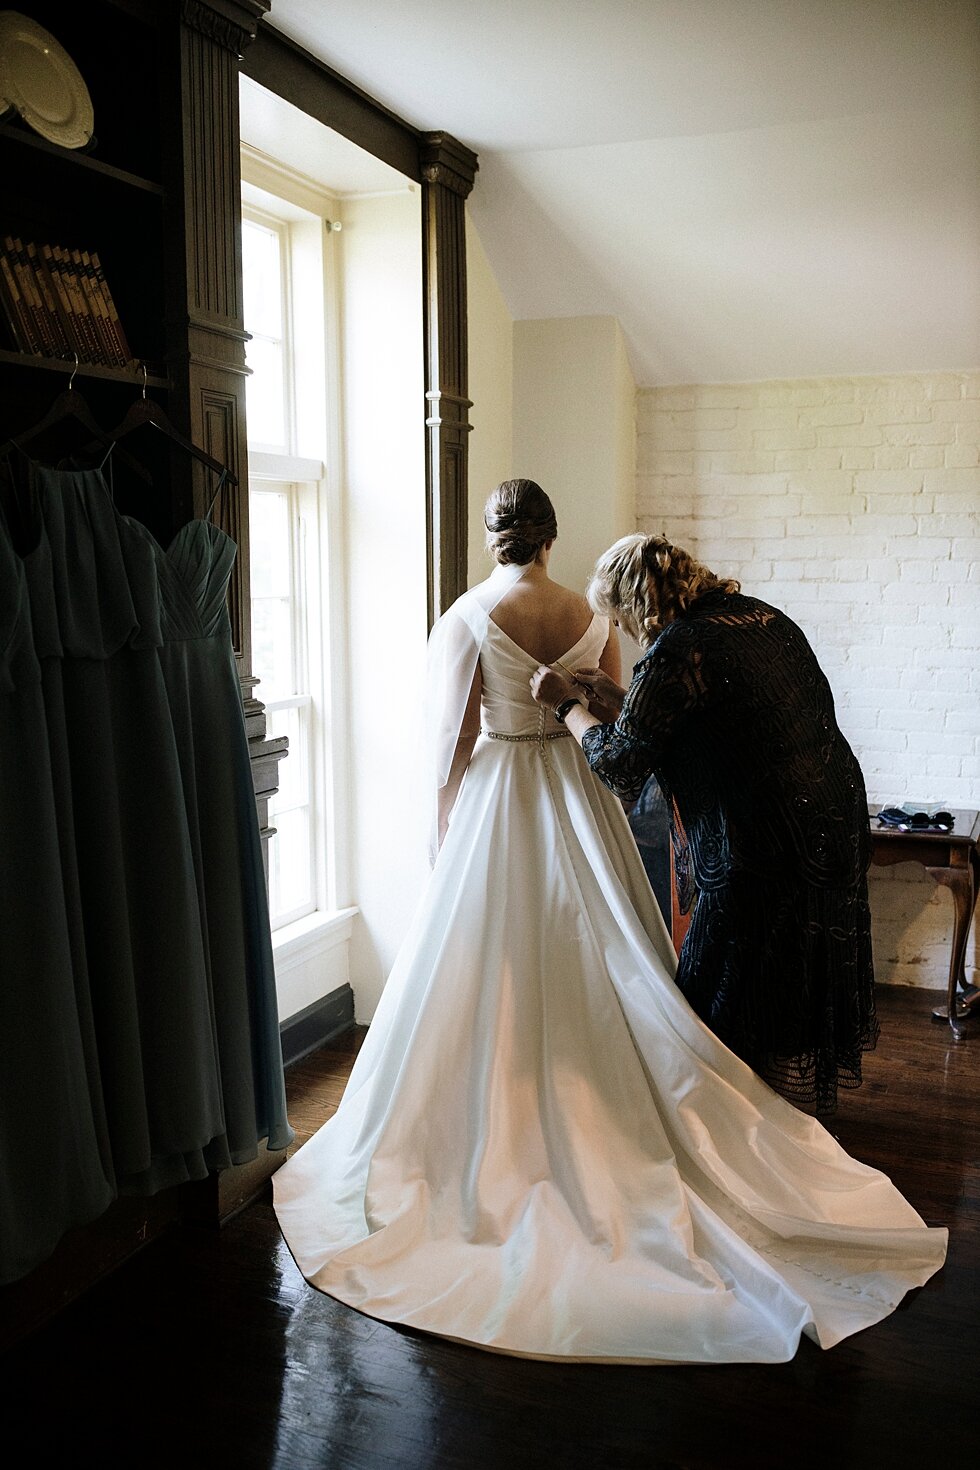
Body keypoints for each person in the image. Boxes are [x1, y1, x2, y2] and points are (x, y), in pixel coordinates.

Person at [273, 481, 945, 1365]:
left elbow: (449, 743)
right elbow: (623, 738)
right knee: (615, 959)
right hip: (587, 805)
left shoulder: (469, 615)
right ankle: (629, 1097)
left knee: (490, 965)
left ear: (493, 537)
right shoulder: (601, 622)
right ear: (550, 539)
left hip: (505, 797)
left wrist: (442, 829)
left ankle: (504, 1106)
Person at [531, 533, 877, 1115]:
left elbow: (621, 768)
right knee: (783, 977)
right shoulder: (761, 618)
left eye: (620, 618)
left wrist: (566, 704)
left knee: (719, 992)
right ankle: (769, 1113)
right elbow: (695, 723)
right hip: (833, 818)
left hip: (763, 840)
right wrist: (619, 697)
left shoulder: (677, 648)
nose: (625, 633)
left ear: (635, 604)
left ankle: (730, 1123)